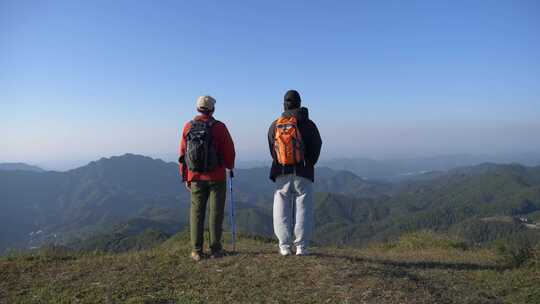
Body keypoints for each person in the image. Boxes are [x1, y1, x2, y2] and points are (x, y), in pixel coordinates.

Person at [179, 95, 235, 261]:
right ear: (213, 109)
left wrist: (186, 176)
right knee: (215, 212)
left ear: (197, 108)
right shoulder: (219, 127)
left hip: (195, 176)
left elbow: (182, 154)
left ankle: (196, 250)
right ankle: (215, 249)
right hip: (217, 176)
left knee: (196, 213)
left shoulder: (188, 126)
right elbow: (229, 151)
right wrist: (229, 167)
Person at [268, 90, 322, 256]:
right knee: (303, 207)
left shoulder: (275, 125)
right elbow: (317, 145)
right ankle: (301, 247)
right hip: (303, 171)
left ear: (284, 104)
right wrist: (309, 163)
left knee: (281, 207)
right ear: (299, 103)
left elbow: (272, 148)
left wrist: (282, 161)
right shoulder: (308, 124)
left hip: (281, 171)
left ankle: (284, 246)